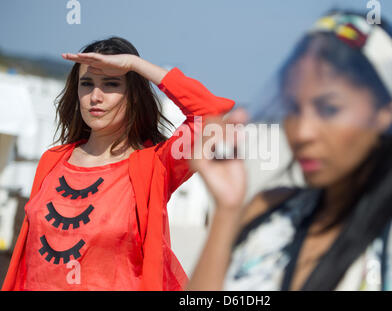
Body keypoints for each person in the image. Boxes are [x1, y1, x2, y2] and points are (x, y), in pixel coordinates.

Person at [187, 11, 392, 290]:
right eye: (293, 107)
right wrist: (226, 211)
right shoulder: (268, 214)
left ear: (385, 115)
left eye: (328, 109)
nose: (301, 132)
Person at [1, 36, 235, 290]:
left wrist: (135, 64)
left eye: (111, 84)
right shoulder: (53, 160)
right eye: (86, 84)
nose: (95, 96)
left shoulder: (155, 165)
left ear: (133, 95)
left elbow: (211, 114)